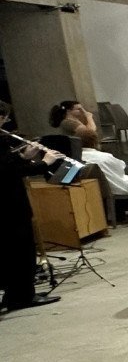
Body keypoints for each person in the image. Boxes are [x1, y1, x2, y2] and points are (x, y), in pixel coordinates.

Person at [0, 109, 65, 312]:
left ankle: (15, 295)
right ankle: (22, 297)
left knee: (12, 252)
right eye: (3, 118)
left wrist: (25, 156)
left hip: (6, 204)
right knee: (21, 251)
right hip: (9, 205)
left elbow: (8, 166)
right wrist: (44, 163)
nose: (5, 122)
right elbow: (9, 173)